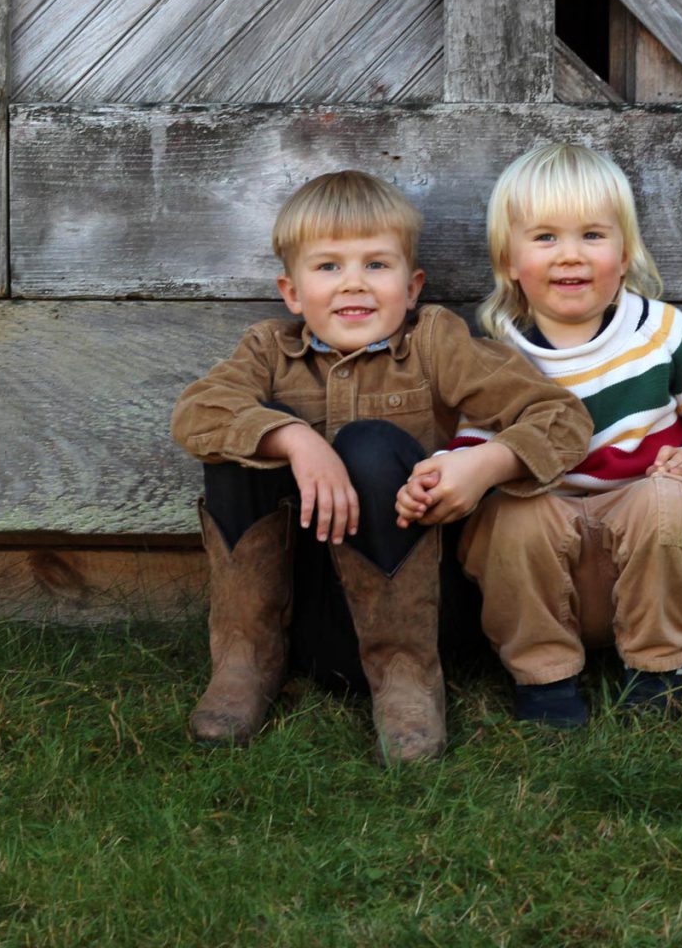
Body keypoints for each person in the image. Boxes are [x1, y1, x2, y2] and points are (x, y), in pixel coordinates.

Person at [170, 169, 593, 762]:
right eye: (328, 267)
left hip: (418, 615)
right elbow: (195, 414)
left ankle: (406, 685)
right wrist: (292, 437)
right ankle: (244, 663)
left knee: (370, 443)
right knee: (241, 434)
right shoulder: (269, 351)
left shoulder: (434, 345)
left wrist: (485, 467)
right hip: (304, 621)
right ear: (291, 293)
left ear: (413, 285)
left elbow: (562, 417)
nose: (353, 286)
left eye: (376, 265)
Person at [397, 144, 682, 727]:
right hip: (546, 552)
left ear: (624, 251)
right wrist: (443, 474)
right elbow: (474, 444)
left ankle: (656, 671)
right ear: (510, 260)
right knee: (512, 517)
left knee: (671, 504)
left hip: (643, 541)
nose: (571, 256)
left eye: (592, 235)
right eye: (544, 239)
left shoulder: (659, 331)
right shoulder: (498, 356)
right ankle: (545, 681)